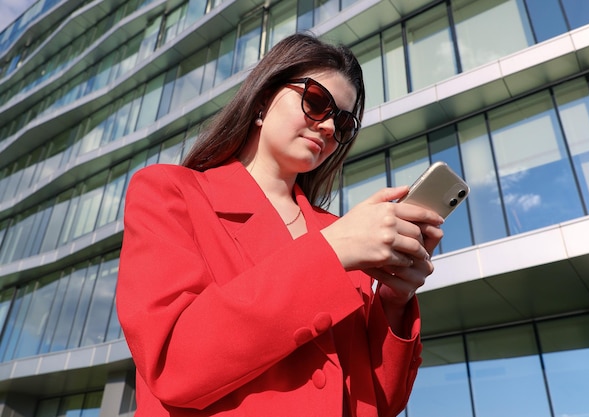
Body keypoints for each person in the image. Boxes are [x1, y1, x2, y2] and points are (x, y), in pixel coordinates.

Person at [116, 32, 444, 417]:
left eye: (342, 123)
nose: (327, 128)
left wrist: (393, 300)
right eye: (316, 101)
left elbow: (378, 403)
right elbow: (173, 362)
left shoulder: (341, 232)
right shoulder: (170, 193)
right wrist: (330, 253)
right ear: (261, 100)